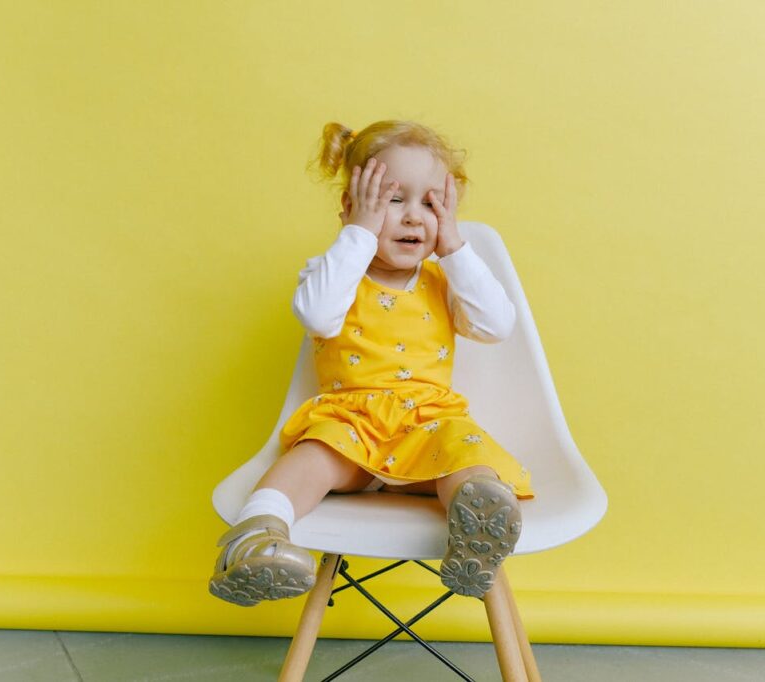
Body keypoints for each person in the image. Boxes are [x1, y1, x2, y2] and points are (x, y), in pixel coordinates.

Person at [210, 120, 534, 607]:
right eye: (392, 200)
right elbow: (316, 314)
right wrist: (358, 235)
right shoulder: (334, 274)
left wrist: (454, 247)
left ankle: (476, 529)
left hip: (427, 424)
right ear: (351, 207)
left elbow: (497, 325)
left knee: (466, 455)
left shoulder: (445, 283)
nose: (412, 218)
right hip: (352, 423)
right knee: (312, 457)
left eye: (430, 203)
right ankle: (257, 537)